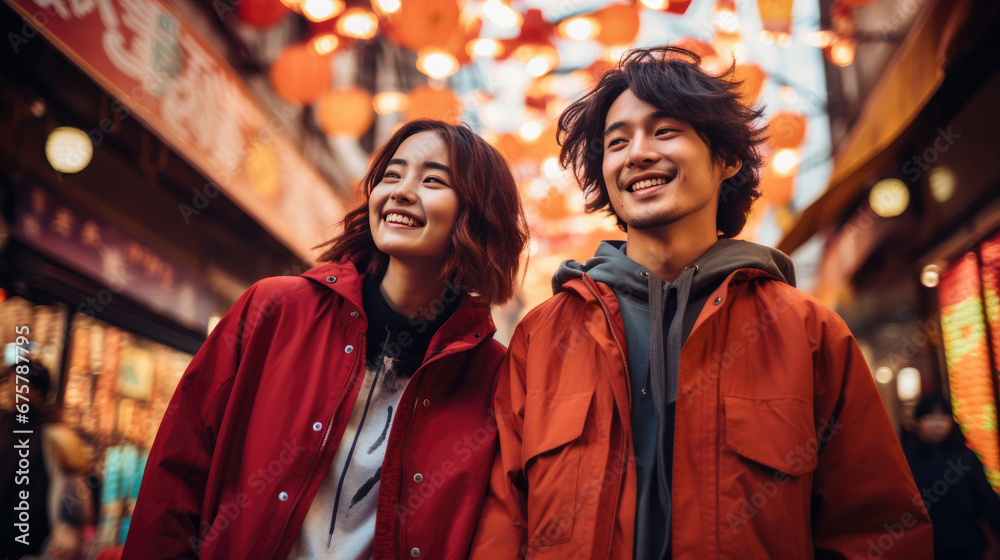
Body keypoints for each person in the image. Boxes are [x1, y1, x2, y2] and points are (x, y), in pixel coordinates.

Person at [469, 46, 931, 559]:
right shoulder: (542, 335)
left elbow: (877, 529)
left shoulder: (809, 332)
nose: (637, 153)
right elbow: (503, 521)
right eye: (616, 142)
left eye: (665, 131)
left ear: (726, 159)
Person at [122, 119, 528, 559]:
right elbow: (176, 472)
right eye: (392, 174)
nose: (402, 191)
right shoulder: (275, 309)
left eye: (432, 180)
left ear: (479, 215)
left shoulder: (493, 377)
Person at [906, 394, 1000, 560]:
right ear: (917, 423)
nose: (937, 423)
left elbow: (987, 500)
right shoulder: (908, 460)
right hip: (925, 550)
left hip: (967, 547)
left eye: (943, 416)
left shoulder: (966, 458)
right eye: (929, 416)